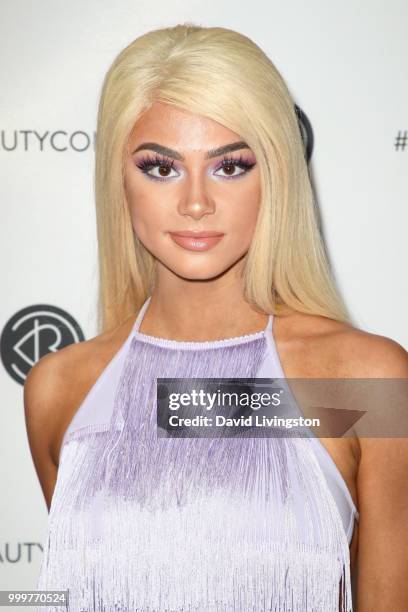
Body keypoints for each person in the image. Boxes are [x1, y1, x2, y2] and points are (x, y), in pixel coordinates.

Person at [24, 23, 408, 612]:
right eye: (160, 167)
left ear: (277, 172)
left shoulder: (365, 382)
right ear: (117, 181)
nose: (196, 202)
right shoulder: (61, 388)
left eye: (231, 166)